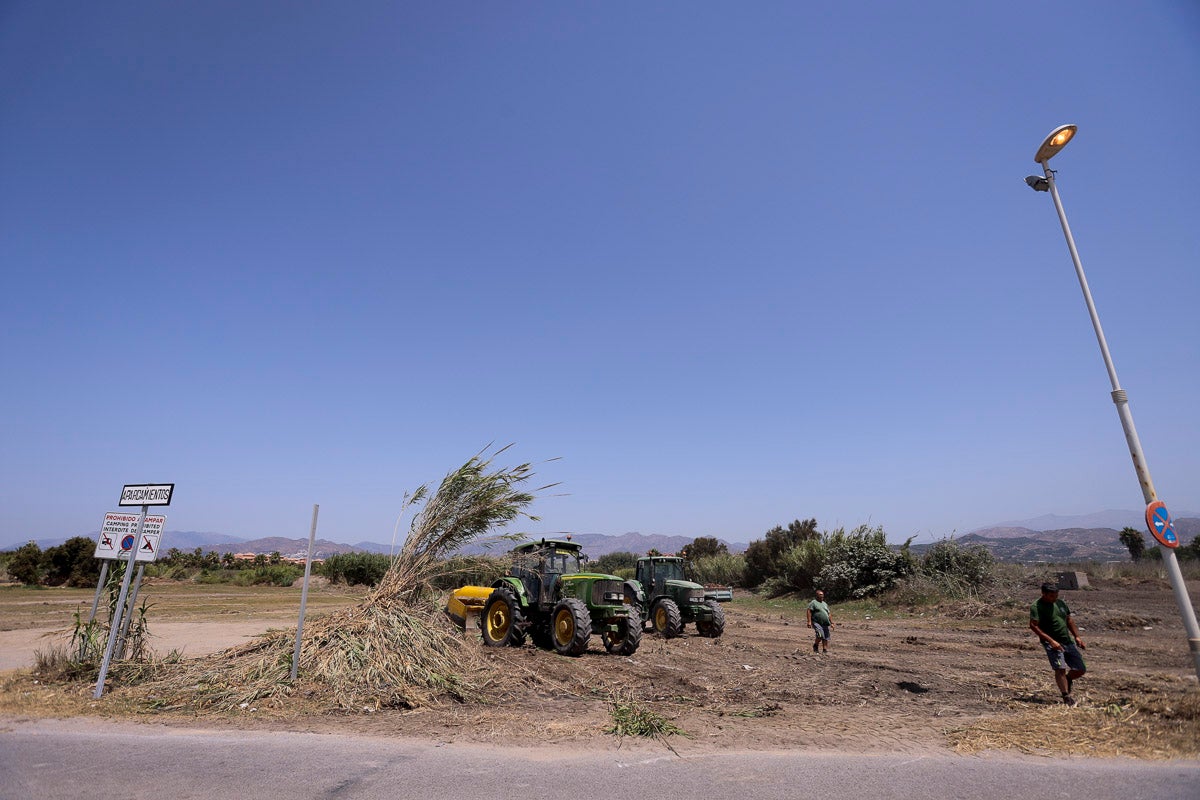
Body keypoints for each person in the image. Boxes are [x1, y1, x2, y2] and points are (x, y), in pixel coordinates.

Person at [1029, 582, 1087, 706]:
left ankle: (1068, 679)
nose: (1054, 598)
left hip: (1067, 641)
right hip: (1052, 643)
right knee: (1060, 668)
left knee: (1080, 669)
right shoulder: (1036, 606)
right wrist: (1051, 641)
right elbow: (1033, 626)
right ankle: (1066, 696)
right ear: (1043, 594)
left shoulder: (1060, 603)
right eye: (1051, 596)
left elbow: (1069, 620)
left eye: (1056, 595)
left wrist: (1077, 636)